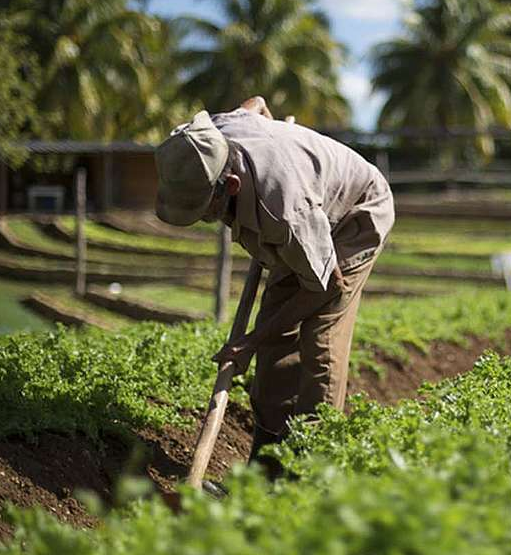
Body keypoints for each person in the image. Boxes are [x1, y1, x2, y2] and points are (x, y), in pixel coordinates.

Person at [154, 97, 395, 472]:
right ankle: (268, 461)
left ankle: (309, 466)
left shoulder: (284, 213)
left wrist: (250, 340)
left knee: (321, 338)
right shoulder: (207, 138)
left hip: (354, 213)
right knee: (275, 336)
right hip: (305, 219)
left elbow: (326, 286)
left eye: (204, 209)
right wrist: (270, 125)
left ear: (231, 185)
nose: (202, 219)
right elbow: (256, 104)